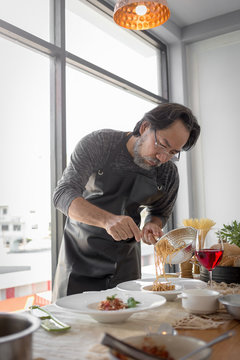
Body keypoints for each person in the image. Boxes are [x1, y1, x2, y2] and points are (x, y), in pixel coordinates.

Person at [52, 102, 200, 300]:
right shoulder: (100, 143)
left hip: (126, 268)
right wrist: (108, 220)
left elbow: (160, 211)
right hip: (79, 263)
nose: (163, 157)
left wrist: (152, 225)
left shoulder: (167, 172)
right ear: (145, 127)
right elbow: (62, 194)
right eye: (162, 145)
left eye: (173, 152)